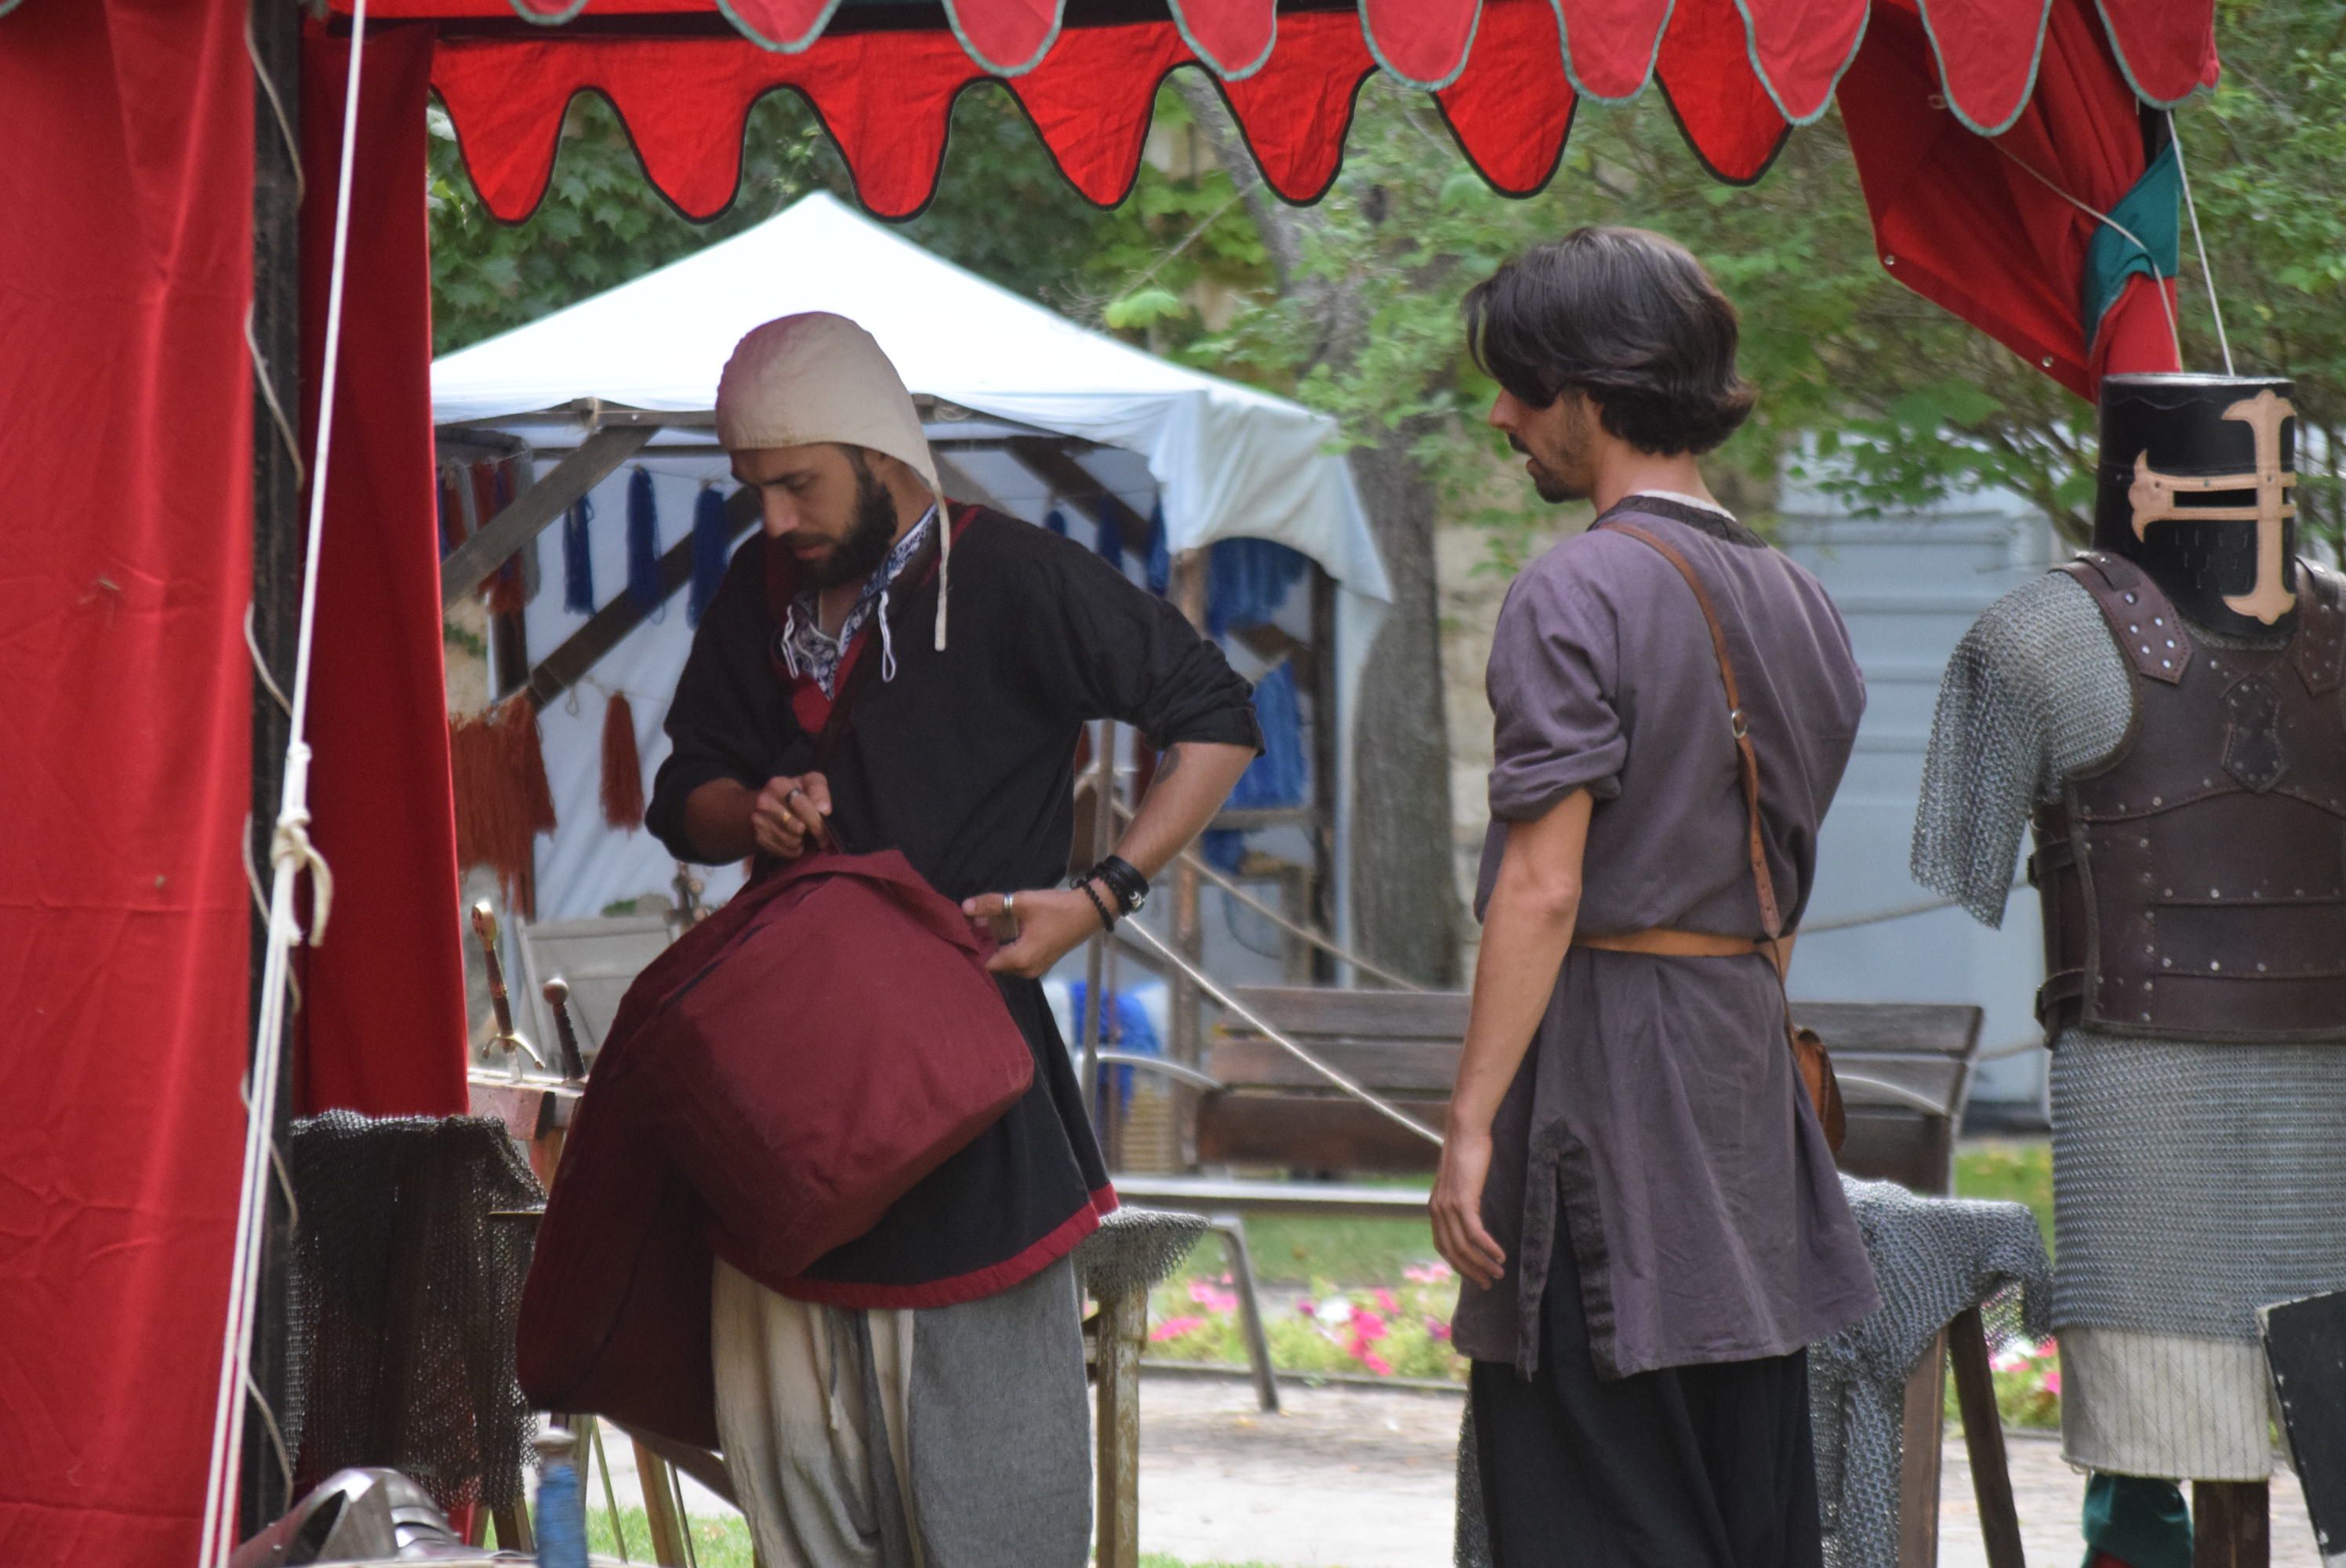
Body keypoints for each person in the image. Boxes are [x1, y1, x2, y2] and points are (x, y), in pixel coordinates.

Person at [645, 311, 1261, 1567]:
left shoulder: (1014, 578)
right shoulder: (757, 597)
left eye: (799, 483)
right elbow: (686, 793)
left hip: (965, 1087)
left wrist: (1098, 899)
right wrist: (749, 804)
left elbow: (1215, 716)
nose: (775, 519)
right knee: (801, 1489)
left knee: (989, 1506)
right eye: (756, 489)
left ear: (881, 451)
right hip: (788, 1094)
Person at [1433, 228, 1879, 1568]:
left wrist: (1467, 1125)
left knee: (1590, 1502)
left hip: (1605, 1091)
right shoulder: (1804, 601)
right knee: (1744, 1500)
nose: (1503, 415)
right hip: (1742, 1085)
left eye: (1521, 385)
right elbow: (1778, 884)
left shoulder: (1575, 585)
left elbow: (1541, 883)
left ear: (1594, 385)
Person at [1914, 372, 2346, 1566]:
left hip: (2171, 1124)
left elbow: (1960, 861)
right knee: (2179, 1461)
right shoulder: (2044, 639)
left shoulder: (2038, 635)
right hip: (2238, 1122)